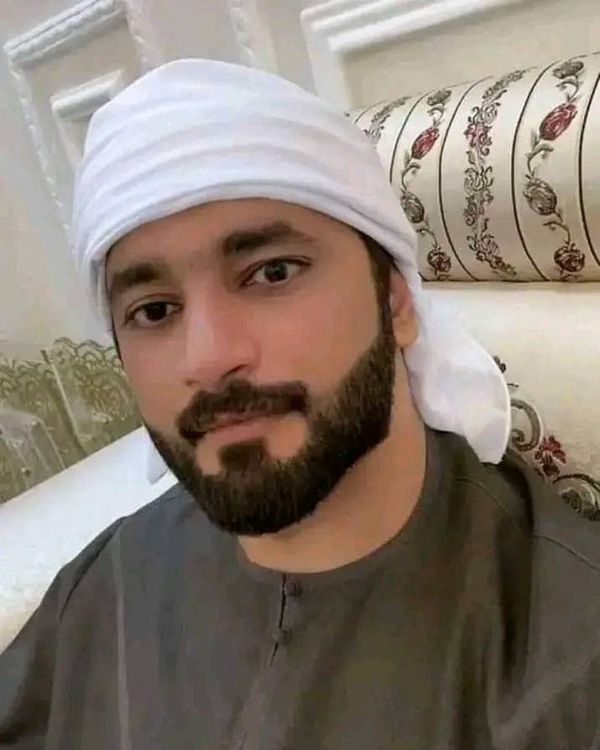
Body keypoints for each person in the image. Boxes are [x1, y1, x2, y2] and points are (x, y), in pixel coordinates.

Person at [0, 59, 598, 750]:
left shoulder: (564, 671)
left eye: (271, 272)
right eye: (154, 309)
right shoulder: (114, 574)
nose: (207, 357)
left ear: (397, 300)